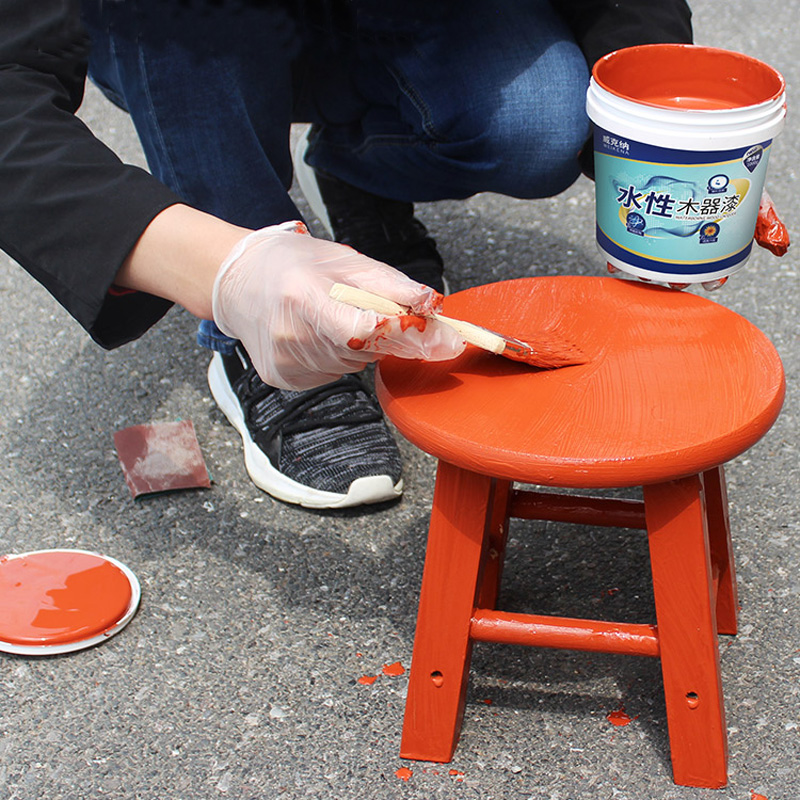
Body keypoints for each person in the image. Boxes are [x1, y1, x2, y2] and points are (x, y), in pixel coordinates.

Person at [0, 0, 693, 509]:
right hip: (185, 27)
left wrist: (664, 146)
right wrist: (226, 269)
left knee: (542, 122)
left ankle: (358, 170)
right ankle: (254, 333)